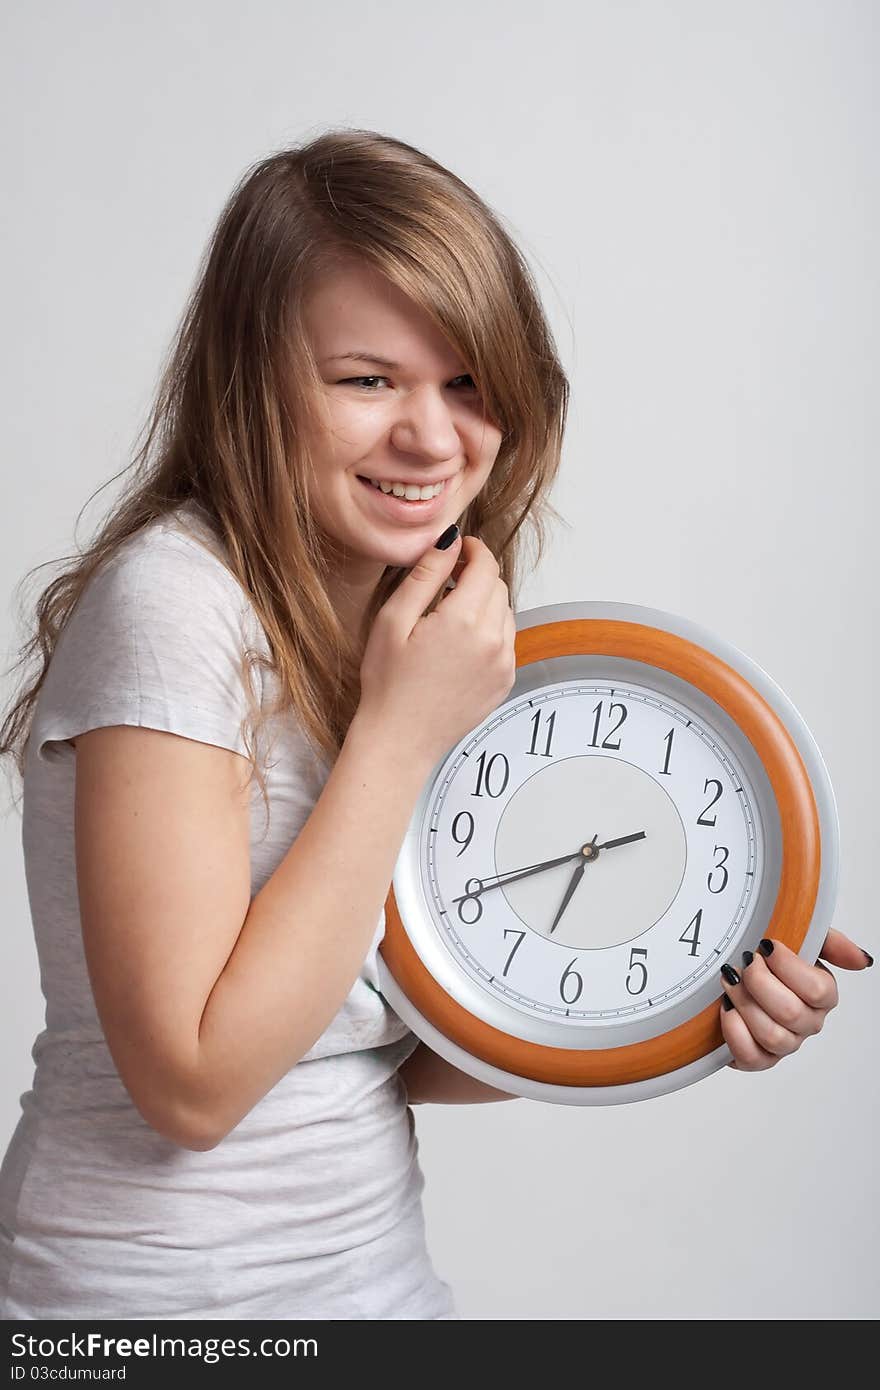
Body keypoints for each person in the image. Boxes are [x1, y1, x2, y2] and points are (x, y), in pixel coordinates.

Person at [0, 129, 870, 1322]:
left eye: (469, 383)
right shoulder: (177, 603)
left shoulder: (406, 611)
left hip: (372, 1288)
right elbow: (195, 1085)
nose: (432, 437)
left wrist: (692, 1014)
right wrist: (402, 734)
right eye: (367, 380)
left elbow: (373, 1049)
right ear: (253, 379)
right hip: (149, 1308)